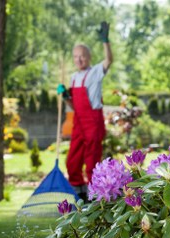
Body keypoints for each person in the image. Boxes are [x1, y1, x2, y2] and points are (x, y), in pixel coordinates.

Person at [57, 21, 113, 201]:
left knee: (91, 162)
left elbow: (108, 60)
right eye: (75, 57)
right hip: (79, 122)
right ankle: (79, 194)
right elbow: (74, 106)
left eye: (82, 56)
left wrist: (105, 41)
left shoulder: (95, 71)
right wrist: (65, 95)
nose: (79, 59)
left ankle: (95, 197)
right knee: (72, 162)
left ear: (88, 57)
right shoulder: (74, 77)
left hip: (93, 123)